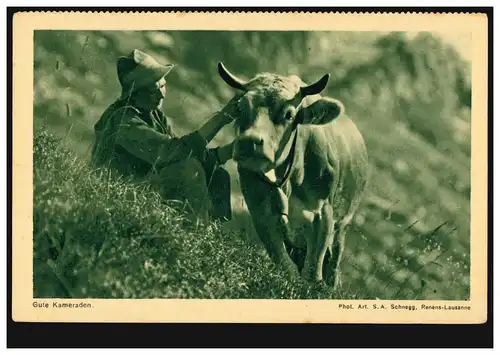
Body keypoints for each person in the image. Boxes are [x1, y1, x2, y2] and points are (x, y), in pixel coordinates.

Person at [91, 49, 238, 223]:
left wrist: (228, 151)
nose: (161, 94)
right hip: (117, 195)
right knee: (189, 169)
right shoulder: (123, 120)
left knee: (217, 174)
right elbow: (173, 151)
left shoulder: (154, 114)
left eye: (163, 85)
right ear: (135, 93)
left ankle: (211, 234)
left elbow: (184, 150)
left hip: (142, 188)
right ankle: (196, 233)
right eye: (154, 90)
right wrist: (223, 117)